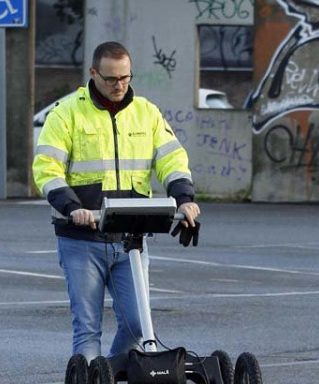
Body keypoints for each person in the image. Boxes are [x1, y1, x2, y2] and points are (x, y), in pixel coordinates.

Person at [32, 41, 200, 364]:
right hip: (81, 237)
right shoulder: (66, 114)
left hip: (130, 240)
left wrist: (184, 199)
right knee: (87, 328)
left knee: (139, 327)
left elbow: (172, 158)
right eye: (111, 79)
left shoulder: (146, 113)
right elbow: (46, 168)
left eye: (125, 77)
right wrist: (72, 208)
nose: (119, 85)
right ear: (93, 74)